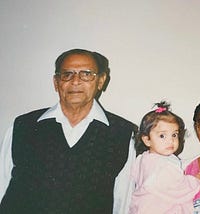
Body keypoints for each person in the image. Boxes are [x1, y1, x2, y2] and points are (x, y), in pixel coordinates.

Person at [0, 48, 137, 214]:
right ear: (56, 82)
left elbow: (122, 202)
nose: (75, 81)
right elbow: (2, 183)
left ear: (101, 81)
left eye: (86, 74)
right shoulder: (23, 126)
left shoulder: (121, 134)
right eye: (67, 74)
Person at [129, 101, 200, 214]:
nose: (171, 140)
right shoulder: (161, 166)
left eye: (174, 134)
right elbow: (177, 189)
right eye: (162, 136)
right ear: (147, 140)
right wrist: (197, 181)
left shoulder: (144, 158)